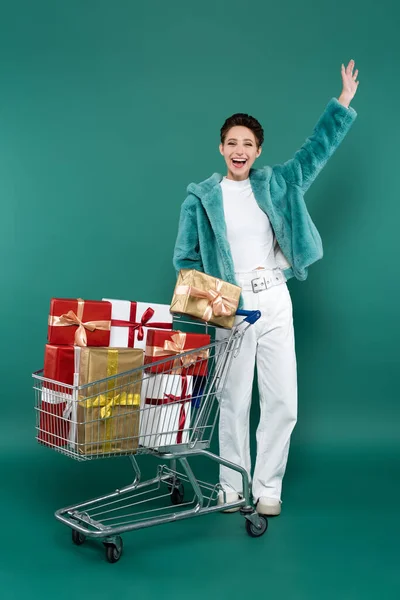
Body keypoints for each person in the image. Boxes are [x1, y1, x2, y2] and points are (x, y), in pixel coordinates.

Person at [173, 60, 359, 516]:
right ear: (221, 148)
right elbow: (185, 260)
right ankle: (232, 488)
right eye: (232, 142)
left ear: (258, 151)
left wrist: (343, 103)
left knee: (282, 400)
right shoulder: (200, 198)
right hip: (228, 305)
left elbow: (316, 151)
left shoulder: (278, 183)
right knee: (233, 399)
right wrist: (217, 305)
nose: (240, 150)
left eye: (248, 144)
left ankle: (268, 488)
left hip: (275, 297)